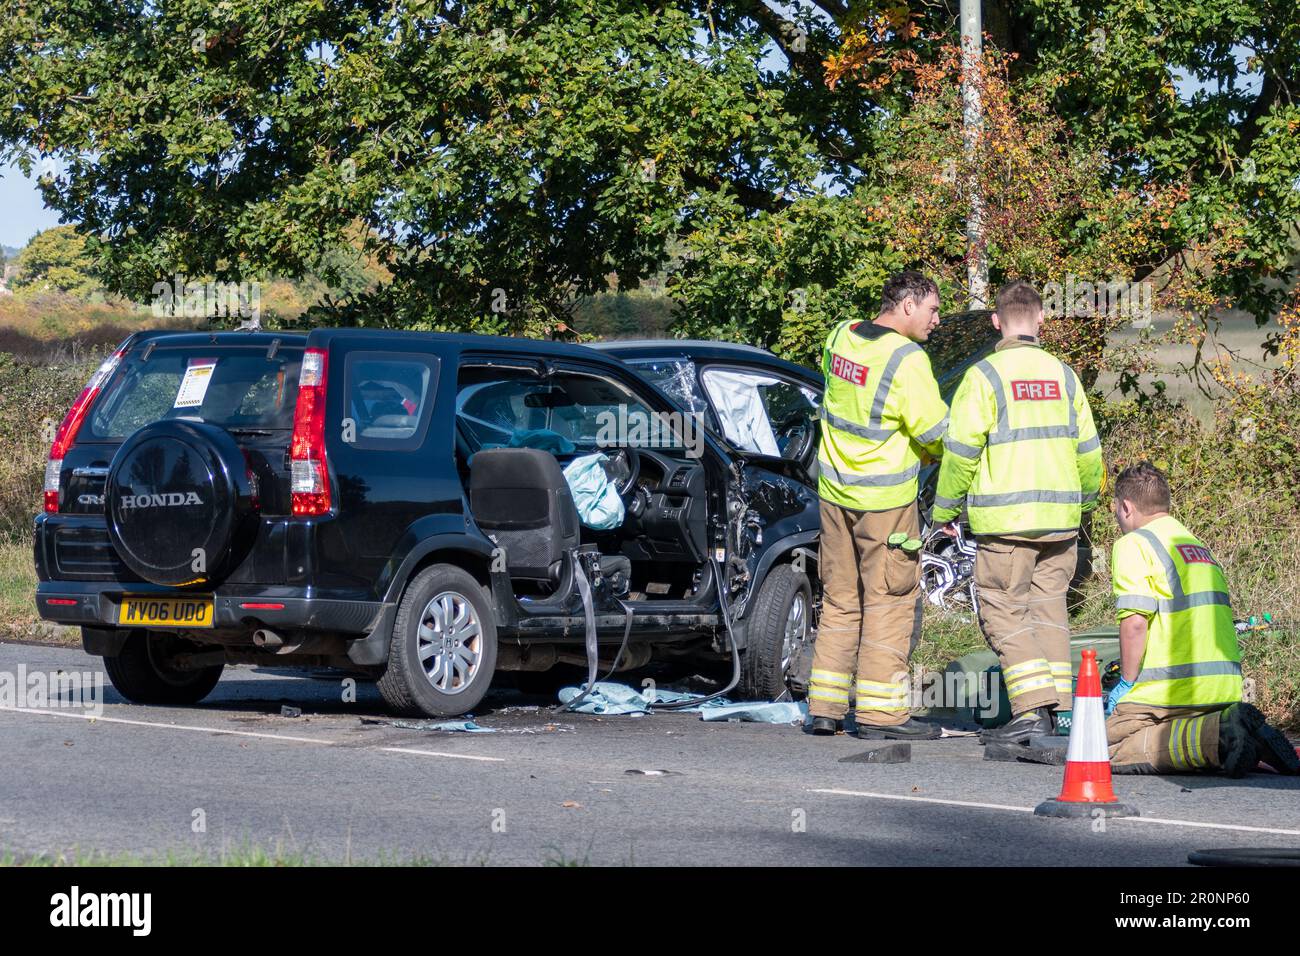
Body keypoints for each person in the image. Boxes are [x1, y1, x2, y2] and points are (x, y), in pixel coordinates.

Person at [931, 280, 1102, 745]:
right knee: (1049, 612)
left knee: (1003, 611)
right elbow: (1089, 451)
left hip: (1006, 524)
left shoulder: (984, 377)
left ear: (995, 321)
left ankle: (1031, 710)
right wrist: (1085, 501)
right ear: (1041, 318)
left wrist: (944, 508)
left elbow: (962, 450)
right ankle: (1063, 713)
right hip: (1061, 523)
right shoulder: (1065, 375)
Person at [808, 271, 949, 740]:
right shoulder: (907, 359)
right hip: (885, 504)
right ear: (907, 306)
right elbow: (934, 432)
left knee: (841, 600)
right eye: (932, 309)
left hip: (834, 495)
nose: (936, 319)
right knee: (889, 601)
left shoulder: (840, 336)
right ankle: (880, 716)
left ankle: (824, 709)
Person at [1105, 461, 1299, 776]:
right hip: (1220, 689)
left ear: (1126, 507)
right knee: (1175, 730)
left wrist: (1127, 682)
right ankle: (1235, 729)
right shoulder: (1195, 546)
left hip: (1168, 690)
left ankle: (1220, 737)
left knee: (1111, 747)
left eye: (1115, 510)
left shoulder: (1134, 544)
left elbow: (1135, 623)